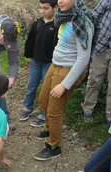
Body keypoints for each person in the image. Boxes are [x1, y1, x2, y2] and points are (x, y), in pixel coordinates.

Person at [33, 0, 96, 160]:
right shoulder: (64, 15)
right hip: (55, 65)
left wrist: (64, 84)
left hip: (68, 70)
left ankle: (53, 146)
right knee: (43, 100)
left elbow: (84, 58)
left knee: (54, 110)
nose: (60, 1)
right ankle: (49, 129)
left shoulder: (84, 21)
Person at [20, 0, 58, 128]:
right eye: (41, 8)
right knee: (31, 86)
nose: (42, 11)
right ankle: (28, 108)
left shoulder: (58, 25)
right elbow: (30, 41)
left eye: (46, 8)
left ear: (55, 8)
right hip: (36, 61)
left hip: (49, 63)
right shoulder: (37, 23)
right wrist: (28, 57)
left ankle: (43, 114)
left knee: (46, 90)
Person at [81, 0, 111, 132]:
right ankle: (87, 110)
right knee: (94, 79)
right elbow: (94, 17)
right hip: (101, 47)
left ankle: (109, 118)